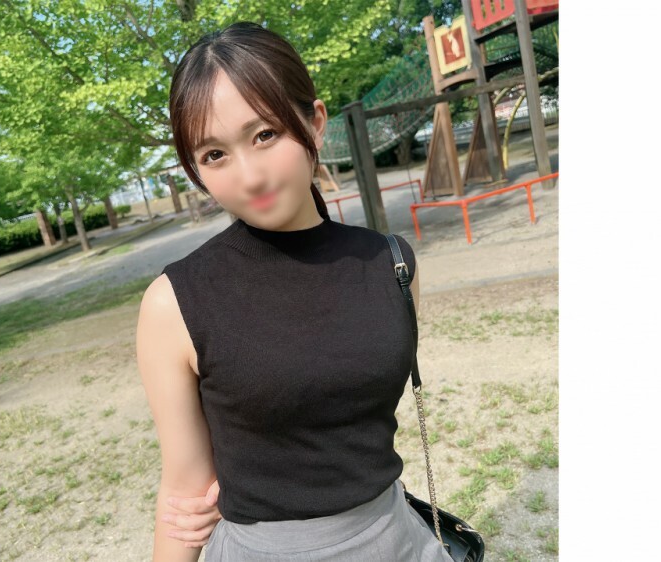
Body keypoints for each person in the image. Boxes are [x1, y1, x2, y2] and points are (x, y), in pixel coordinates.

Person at [136, 22, 452, 562]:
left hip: (399, 540)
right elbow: (185, 495)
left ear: (315, 122)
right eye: (214, 155)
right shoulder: (174, 302)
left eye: (265, 135)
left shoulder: (392, 263)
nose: (250, 176)